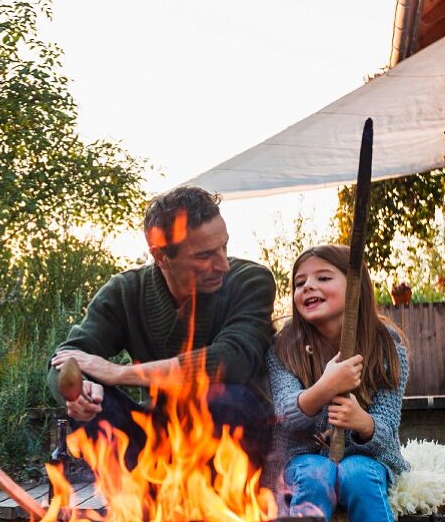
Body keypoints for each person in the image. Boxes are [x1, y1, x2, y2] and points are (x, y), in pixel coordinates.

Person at [48, 185, 276, 470]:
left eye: (224, 247)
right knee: (96, 404)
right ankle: (136, 502)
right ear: (161, 257)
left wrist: (119, 373)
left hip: (233, 433)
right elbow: (67, 356)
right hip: (156, 434)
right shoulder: (126, 290)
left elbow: (233, 360)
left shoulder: (250, 280)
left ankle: (218, 505)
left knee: (226, 397)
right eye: (204, 256)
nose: (222, 265)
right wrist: (78, 392)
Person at [268, 244, 408, 522]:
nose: (308, 287)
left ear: (356, 285)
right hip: (301, 458)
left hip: (368, 458)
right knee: (317, 474)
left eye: (323, 277)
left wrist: (362, 422)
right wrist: (325, 387)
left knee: (358, 474)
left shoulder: (386, 346)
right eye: (299, 282)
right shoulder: (283, 347)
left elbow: (387, 431)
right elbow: (284, 416)